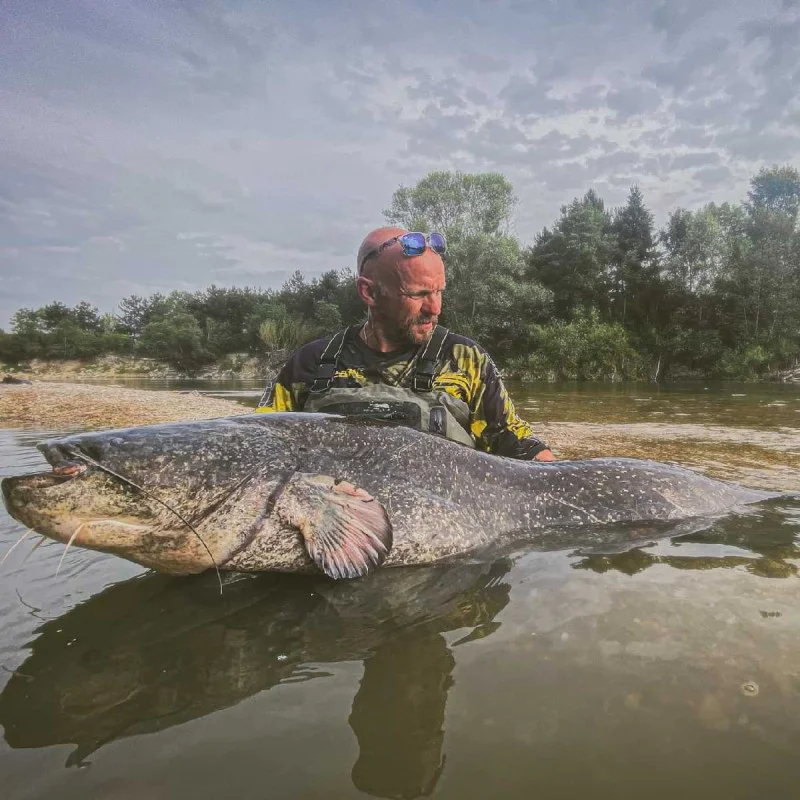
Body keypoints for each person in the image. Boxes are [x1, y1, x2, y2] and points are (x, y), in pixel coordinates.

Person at [256, 226, 555, 461]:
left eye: (439, 291)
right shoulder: (310, 363)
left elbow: (512, 440)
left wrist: (559, 474)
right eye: (418, 294)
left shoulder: (465, 358)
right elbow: (262, 443)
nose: (435, 308)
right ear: (369, 292)